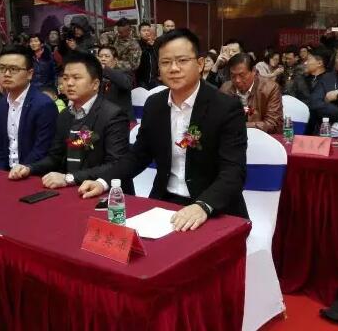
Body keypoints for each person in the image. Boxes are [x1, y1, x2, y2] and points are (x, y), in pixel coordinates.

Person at [78, 29, 249, 231]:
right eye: (166, 62)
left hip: (213, 208)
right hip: (165, 203)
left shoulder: (225, 107)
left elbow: (233, 171)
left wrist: (203, 206)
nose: (174, 68)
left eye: (182, 60)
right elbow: (138, 156)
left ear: (200, 63)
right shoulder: (155, 104)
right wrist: (103, 181)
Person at [8, 51, 133, 192]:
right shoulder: (65, 115)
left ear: (95, 84)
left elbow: (115, 164)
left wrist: (69, 178)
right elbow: (55, 157)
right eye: (65, 78)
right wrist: (29, 168)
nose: (69, 83)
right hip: (71, 190)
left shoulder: (113, 115)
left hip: (106, 193)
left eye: (76, 78)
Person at [0, 45, 58, 171]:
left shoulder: (44, 105)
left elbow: (42, 149)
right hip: (5, 172)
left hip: (32, 172)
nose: (6, 74)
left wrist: (22, 170)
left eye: (13, 69)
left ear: (30, 74)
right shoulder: (2, 103)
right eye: (2, 68)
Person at [220, 52, 283, 134]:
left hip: (263, 137)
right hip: (232, 137)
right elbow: (218, 119)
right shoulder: (225, 89)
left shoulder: (270, 88)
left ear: (254, 71)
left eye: (242, 75)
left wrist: (240, 125)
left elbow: (272, 124)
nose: (237, 80)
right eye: (233, 76)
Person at [97, 45, 135, 123]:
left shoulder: (125, 72)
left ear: (115, 60)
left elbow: (125, 84)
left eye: (107, 56)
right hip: (101, 119)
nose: (103, 59)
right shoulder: (96, 76)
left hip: (121, 120)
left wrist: (104, 68)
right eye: (100, 56)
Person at [136, 21, 159, 88]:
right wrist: (149, 46)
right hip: (141, 81)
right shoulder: (136, 45)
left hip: (155, 80)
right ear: (139, 33)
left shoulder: (155, 44)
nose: (146, 32)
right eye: (144, 30)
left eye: (148, 30)